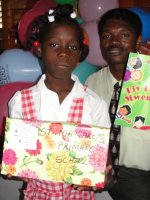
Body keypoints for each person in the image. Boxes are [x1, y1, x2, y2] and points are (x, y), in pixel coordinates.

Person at [8, 4, 111, 200]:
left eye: (72, 47)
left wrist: (102, 178)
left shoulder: (95, 104)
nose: (64, 53)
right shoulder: (21, 101)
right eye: (54, 44)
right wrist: (13, 165)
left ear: (80, 55)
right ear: (39, 50)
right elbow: (18, 155)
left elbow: (103, 164)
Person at [86, 8, 150, 200]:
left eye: (124, 35)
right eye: (107, 36)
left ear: (138, 40)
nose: (114, 42)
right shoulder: (92, 82)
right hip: (125, 175)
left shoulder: (147, 74)